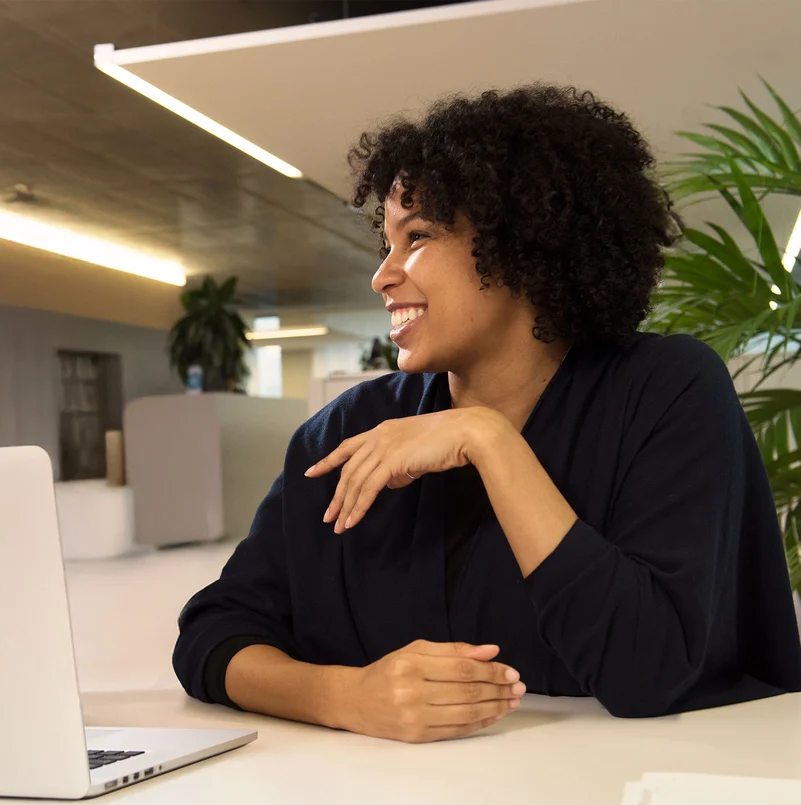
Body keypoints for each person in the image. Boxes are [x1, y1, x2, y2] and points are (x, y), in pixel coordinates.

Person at [173, 84, 801, 742]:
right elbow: (213, 637)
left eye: (415, 237)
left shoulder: (664, 388)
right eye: (384, 244)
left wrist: (488, 439)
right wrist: (342, 694)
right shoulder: (346, 430)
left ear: (521, 242)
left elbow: (646, 670)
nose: (381, 276)